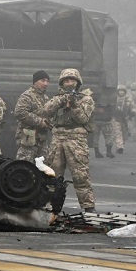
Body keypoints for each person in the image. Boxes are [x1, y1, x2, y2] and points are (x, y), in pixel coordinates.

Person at [43, 68, 96, 213]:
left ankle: (88, 207)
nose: (69, 83)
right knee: (52, 175)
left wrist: (74, 104)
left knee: (80, 175)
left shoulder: (86, 99)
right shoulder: (58, 98)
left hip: (76, 139)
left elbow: (83, 118)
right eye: (66, 81)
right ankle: (51, 206)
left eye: (72, 80)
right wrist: (61, 100)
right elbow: (46, 111)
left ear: (78, 82)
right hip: (57, 139)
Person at [14, 70, 52, 162]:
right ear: (35, 81)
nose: (45, 83)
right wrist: (40, 122)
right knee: (25, 167)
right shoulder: (27, 96)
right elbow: (20, 112)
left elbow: (49, 115)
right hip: (28, 141)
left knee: (43, 169)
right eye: (43, 80)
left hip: (42, 141)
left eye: (47, 81)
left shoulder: (46, 98)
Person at [112, 85, 136, 154]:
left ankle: (121, 145)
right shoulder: (114, 99)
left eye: (123, 91)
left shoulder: (128, 99)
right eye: (120, 90)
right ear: (118, 91)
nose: (121, 92)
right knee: (118, 133)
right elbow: (110, 107)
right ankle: (120, 146)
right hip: (116, 118)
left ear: (125, 92)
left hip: (126, 119)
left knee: (124, 135)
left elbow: (134, 107)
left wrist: (132, 113)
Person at [92, 92, 115, 158]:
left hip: (95, 120)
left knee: (95, 137)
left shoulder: (93, 96)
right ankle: (109, 152)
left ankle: (97, 153)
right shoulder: (109, 96)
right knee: (108, 136)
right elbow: (113, 108)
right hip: (106, 120)